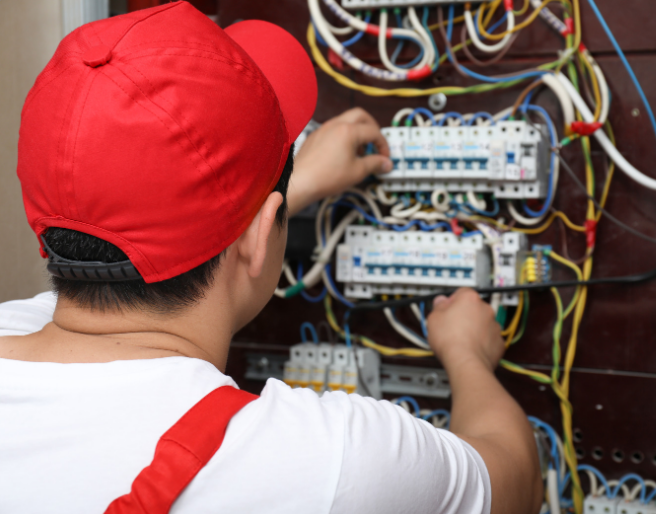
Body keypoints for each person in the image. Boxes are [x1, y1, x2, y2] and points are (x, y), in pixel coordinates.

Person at [0, 3, 542, 513]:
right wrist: (467, 353)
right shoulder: (326, 463)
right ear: (262, 236)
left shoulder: (14, 326)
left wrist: (278, 198)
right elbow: (516, 478)